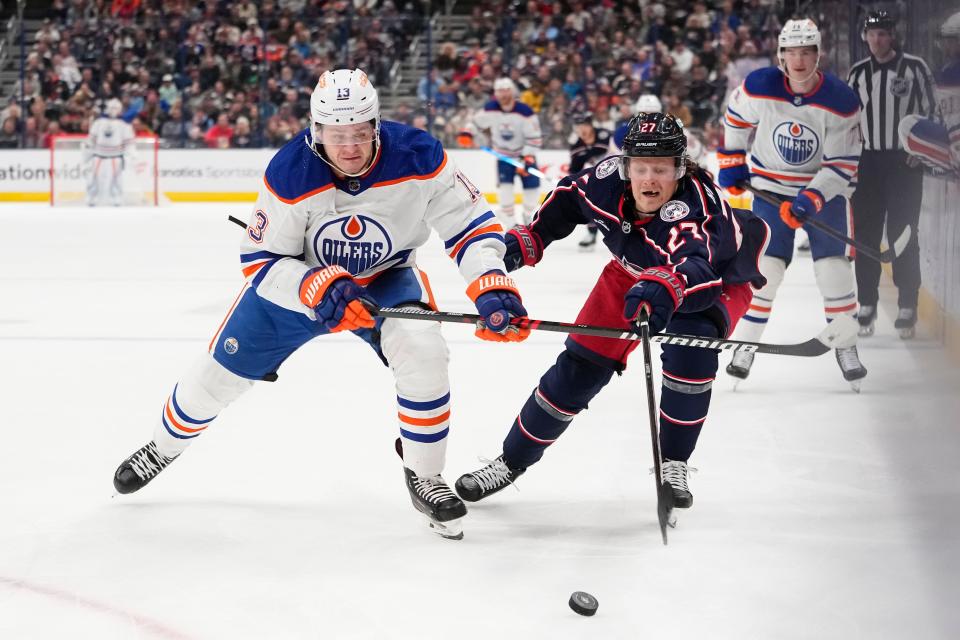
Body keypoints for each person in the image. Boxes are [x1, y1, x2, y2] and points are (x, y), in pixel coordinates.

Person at [112, 69, 530, 541]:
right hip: (297, 288)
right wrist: (317, 285)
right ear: (317, 132)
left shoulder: (419, 154)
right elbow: (261, 261)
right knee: (211, 382)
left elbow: (469, 222)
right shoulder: (290, 172)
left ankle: (426, 476)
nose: (348, 147)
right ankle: (161, 447)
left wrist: (491, 282)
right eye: (336, 135)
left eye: (358, 133)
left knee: (423, 351)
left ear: (375, 126)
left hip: (384, 279)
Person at [454, 113, 769, 513]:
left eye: (662, 169)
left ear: (681, 169)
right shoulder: (604, 180)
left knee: (690, 360)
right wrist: (530, 239)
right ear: (625, 167)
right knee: (579, 367)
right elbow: (567, 199)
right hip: (634, 271)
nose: (650, 180)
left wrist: (664, 289)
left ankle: (673, 463)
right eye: (640, 168)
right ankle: (510, 461)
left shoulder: (696, 211)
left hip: (712, 281)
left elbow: (698, 269)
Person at [718, 19, 868, 391]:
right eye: (791, 52)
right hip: (770, 191)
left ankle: (846, 347)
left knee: (833, 270)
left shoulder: (841, 100)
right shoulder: (759, 86)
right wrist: (732, 161)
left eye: (807, 52)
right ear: (780, 55)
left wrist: (810, 199)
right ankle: (746, 345)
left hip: (824, 195)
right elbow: (735, 118)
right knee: (763, 271)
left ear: (819, 55)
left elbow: (843, 163)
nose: (799, 60)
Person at [847, 11, 937, 340]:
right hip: (867, 163)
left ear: (892, 36)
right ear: (865, 37)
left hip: (903, 164)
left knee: (903, 234)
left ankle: (907, 304)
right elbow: (847, 120)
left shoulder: (914, 68)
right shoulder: (857, 74)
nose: (877, 40)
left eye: (883, 34)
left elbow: (932, 111)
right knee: (865, 236)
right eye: (872, 35)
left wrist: (921, 151)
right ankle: (867, 302)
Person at [473, 77, 543, 226]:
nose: (503, 94)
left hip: (525, 155)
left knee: (532, 186)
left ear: (512, 92)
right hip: (503, 157)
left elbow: (535, 138)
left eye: (506, 90)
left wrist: (526, 157)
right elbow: (475, 123)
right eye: (500, 91)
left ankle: (529, 215)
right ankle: (509, 219)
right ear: (495, 94)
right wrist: (467, 133)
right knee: (505, 188)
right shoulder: (490, 108)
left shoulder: (525, 111)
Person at [568, 111, 613, 250]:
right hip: (598, 181)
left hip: (619, 175)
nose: (582, 129)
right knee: (588, 201)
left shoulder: (606, 136)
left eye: (585, 125)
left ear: (591, 125)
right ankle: (592, 234)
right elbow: (575, 170)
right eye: (578, 126)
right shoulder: (576, 146)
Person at [85, 98, 135, 206]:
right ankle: (91, 196)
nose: (113, 110)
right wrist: (87, 152)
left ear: (120, 110)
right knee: (93, 177)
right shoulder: (98, 123)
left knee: (117, 179)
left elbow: (129, 142)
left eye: (116, 108)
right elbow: (91, 140)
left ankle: (117, 197)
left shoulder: (124, 124)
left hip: (116, 156)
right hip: (98, 155)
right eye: (112, 107)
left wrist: (131, 155)